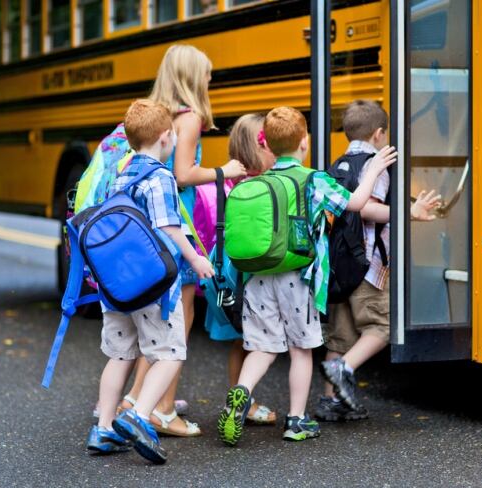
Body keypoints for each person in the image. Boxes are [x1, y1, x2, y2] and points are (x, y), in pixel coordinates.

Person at [216, 106, 397, 445]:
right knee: (301, 350)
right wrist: (372, 170)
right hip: (297, 278)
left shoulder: (259, 180)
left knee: (263, 348)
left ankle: (241, 391)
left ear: (267, 145)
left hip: (258, 278)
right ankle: (297, 420)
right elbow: (357, 203)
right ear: (304, 143)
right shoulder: (314, 180)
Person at [121, 44, 246, 437]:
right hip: (180, 219)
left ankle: (135, 399)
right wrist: (222, 170)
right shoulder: (188, 118)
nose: (210, 81)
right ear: (193, 77)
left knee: (158, 320)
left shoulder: (159, 113)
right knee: (179, 318)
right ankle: (161, 410)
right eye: (207, 74)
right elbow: (182, 174)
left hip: (150, 224)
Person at [87, 99, 214, 464]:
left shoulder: (120, 172)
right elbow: (167, 226)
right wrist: (195, 258)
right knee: (172, 353)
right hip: (153, 286)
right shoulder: (160, 176)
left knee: (120, 354)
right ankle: (139, 415)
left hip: (117, 284)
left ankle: (105, 427)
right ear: (165, 137)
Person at [316, 100, 441, 422]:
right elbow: (368, 208)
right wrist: (408, 212)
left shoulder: (339, 164)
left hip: (338, 265)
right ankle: (342, 369)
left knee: (340, 337)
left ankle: (331, 402)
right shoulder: (377, 163)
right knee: (382, 325)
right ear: (379, 133)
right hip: (367, 266)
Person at [197, 113, 277, 425]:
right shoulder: (258, 186)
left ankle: (239, 395)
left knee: (239, 339)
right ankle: (246, 399)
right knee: (254, 340)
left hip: (228, 269)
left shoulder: (232, 182)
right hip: (249, 271)